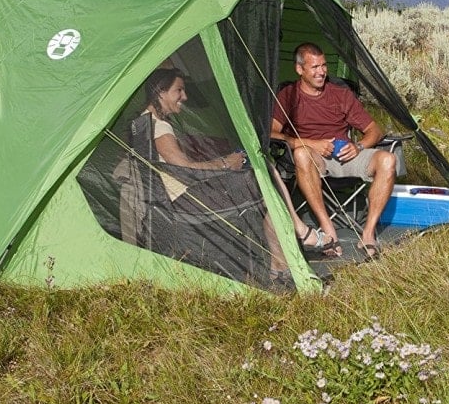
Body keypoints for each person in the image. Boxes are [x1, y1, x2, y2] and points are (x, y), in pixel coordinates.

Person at [140, 67, 328, 274]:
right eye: (179, 90)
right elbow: (183, 169)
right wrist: (225, 163)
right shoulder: (158, 126)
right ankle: (290, 245)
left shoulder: (145, 120)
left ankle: (286, 250)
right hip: (185, 201)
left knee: (264, 173)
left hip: (175, 196)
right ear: (161, 92)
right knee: (263, 179)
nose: (184, 96)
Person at [269, 43, 397, 260]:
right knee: (301, 153)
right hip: (313, 157)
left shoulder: (340, 94)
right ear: (300, 70)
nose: (321, 72)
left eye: (324, 66)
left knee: (388, 159)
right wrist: (310, 143)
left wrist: (358, 146)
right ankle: (328, 230)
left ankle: (368, 234)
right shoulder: (288, 95)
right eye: (314, 67)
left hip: (344, 155)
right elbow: (271, 133)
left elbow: (374, 130)